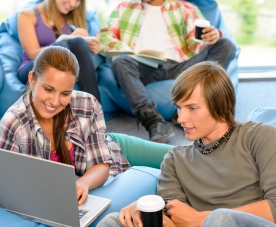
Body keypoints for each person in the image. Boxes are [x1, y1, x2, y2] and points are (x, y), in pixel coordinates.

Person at [0, 46, 172, 203]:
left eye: (65, 93)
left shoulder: (87, 104)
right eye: (48, 89)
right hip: (104, 174)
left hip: (116, 148)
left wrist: (83, 183)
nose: (55, 101)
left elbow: (102, 165)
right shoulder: (14, 123)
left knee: (183, 157)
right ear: (32, 79)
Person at [97, 61, 276, 227]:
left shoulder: (260, 136)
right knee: (114, 220)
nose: (181, 118)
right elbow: (176, 219)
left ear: (221, 106)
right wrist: (147, 208)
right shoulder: (175, 160)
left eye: (192, 108)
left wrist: (201, 218)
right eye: (178, 107)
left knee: (220, 218)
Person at [97, 0, 236, 143]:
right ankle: (153, 121)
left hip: (182, 67)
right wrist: (127, 51)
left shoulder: (184, 8)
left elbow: (196, 43)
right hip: (145, 67)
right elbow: (104, 36)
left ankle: (199, 106)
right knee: (121, 62)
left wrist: (210, 36)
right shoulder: (125, 8)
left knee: (225, 44)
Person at [17, 0, 102, 102]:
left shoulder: (72, 20)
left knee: (78, 42)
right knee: (61, 46)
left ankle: (95, 111)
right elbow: (33, 53)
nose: (73, 3)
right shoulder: (27, 15)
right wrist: (63, 41)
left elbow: (79, 59)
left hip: (64, 70)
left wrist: (91, 48)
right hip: (32, 69)